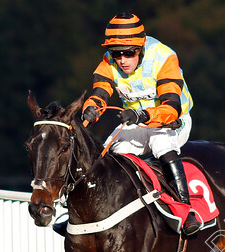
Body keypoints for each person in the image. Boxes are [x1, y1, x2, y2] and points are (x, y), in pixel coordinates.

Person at [81, 12, 201, 236]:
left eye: (129, 53)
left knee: (160, 144)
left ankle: (186, 212)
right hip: (136, 122)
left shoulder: (164, 58)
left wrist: (141, 116)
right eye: (117, 54)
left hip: (172, 122)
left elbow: (171, 108)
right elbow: (101, 92)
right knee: (110, 152)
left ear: (141, 47)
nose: (122, 60)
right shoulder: (109, 61)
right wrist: (92, 108)